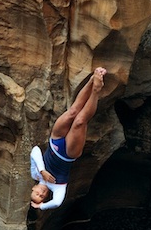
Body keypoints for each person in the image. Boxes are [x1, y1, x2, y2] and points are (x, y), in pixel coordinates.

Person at [30, 67, 108, 210]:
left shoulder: (35, 174)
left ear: (34, 188)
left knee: (72, 111)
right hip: (68, 153)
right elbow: (57, 202)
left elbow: (35, 151)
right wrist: (41, 206)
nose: (41, 193)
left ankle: (91, 81)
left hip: (55, 141)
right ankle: (96, 90)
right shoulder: (57, 188)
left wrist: (42, 171)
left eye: (37, 193)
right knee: (79, 121)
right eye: (42, 196)